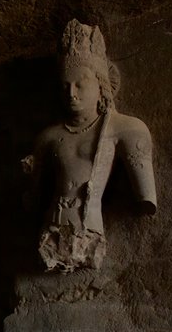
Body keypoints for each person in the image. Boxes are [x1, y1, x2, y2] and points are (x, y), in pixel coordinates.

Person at [22, 19, 156, 273]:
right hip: (51, 231)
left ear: (100, 84)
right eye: (65, 85)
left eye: (80, 84)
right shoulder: (48, 137)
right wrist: (30, 175)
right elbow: (32, 200)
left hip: (89, 229)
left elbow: (145, 196)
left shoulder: (125, 128)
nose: (71, 93)